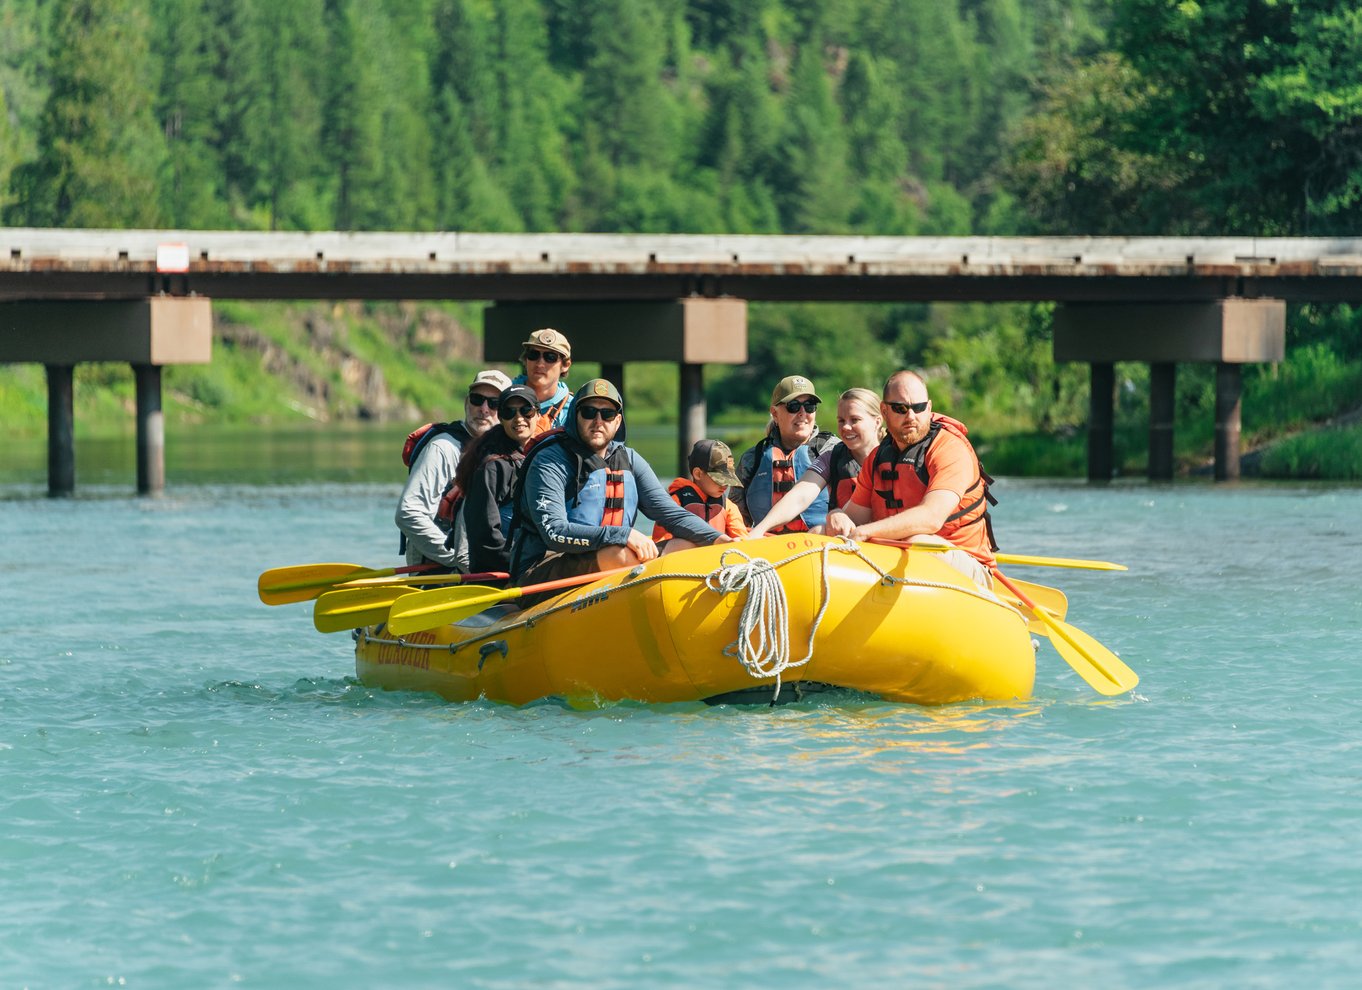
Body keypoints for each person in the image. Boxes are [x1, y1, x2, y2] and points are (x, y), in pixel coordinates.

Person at [509, 379, 733, 590]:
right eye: (589, 412)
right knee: (621, 554)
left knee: (686, 546)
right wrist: (622, 534)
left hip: (609, 558)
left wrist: (719, 540)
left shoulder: (630, 460)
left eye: (607, 414)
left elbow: (673, 515)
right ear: (575, 416)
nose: (598, 422)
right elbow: (554, 532)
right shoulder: (550, 460)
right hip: (543, 567)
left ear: (617, 422)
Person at [825, 371, 997, 588]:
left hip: (969, 569)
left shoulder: (950, 449)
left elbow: (931, 518)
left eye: (919, 407)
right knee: (821, 532)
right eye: (900, 408)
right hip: (897, 562)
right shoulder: (877, 459)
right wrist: (836, 515)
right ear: (884, 411)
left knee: (917, 543)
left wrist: (868, 531)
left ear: (929, 407)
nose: (911, 416)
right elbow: (853, 520)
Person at [395, 368, 512, 571]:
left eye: (494, 403)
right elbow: (408, 513)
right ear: (467, 403)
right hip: (439, 572)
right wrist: (457, 559)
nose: (483, 409)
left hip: (480, 566)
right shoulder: (443, 447)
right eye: (477, 399)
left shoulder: (502, 450)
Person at [747, 388, 884, 538]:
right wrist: (759, 530)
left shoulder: (895, 456)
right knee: (818, 532)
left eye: (855, 420)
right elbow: (800, 496)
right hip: (852, 540)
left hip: (889, 539)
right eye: (841, 420)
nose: (845, 427)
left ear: (877, 421)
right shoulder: (832, 457)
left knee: (821, 529)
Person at [732, 374, 839, 533]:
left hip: (820, 542)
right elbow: (736, 517)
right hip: (767, 544)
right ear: (775, 413)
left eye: (810, 405)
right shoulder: (752, 459)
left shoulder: (832, 449)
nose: (802, 413)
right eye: (793, 406)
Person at [454, 384, 540, 575]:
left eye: (526, 411)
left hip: (529, 560)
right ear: (500, 418)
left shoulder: (539, 458)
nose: (519, 418)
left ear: (538, 415)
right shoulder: (492, 467)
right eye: (509, 412)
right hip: (502, 574)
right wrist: (520, 566)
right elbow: (484, 537)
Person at [652, 439, 748, 550]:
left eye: (728, 479)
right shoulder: (675, 502)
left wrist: (737, 541)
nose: (725, 484)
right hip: (682, 558)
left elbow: (742, 540)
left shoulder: (728, 506)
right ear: (698, 474)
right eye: (720, 479)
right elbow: (661, 542)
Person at [511, 327, 573, 433]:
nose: (540, 364)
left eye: (550, 357)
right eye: (533, 355)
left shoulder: (574, 410)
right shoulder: (502, 394)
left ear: (565, 365)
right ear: (526, 360)